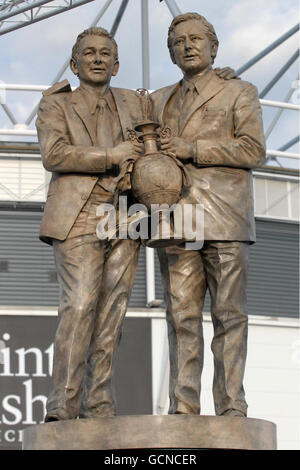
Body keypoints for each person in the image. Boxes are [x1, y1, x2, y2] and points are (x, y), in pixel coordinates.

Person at [151, 13, 265, 417]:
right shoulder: (157, 99)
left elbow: (253, 150)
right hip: (176, 222)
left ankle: (232, 406)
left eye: (196, 39)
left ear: (213, 48)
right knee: (180, 317)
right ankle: (183, 407)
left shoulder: (240, 92)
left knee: (229, 316)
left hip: (226, 217)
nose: (188, 46)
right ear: (170, 52)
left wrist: (192, 148)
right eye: (179, 41)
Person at [36, 27, 143, 421]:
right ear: (74, 62)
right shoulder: (55, 104)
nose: (97, 59)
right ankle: (62, 404)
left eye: (105, 54)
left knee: (112, 314)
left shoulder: (134, 102)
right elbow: (55, 153)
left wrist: (220, 75)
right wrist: (111, 155)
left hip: (127, 216)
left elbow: (179, 99)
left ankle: (99, 405)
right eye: (89, 53)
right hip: (80, 213)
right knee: (80, 306)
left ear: (116, 64)